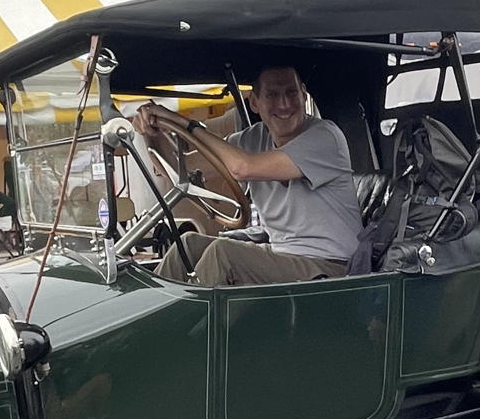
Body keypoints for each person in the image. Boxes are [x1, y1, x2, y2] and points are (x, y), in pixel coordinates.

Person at [136, 64, 362, 286]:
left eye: (291, 93)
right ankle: (148, 307)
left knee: (223, 254)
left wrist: (187, 125)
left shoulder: (325, 136)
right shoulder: (252, 139)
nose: (284, 104)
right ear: (254, 102)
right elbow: (180, 168)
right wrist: (151, 131)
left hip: (332, 267)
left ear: (304, 95)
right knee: (187, 244)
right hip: (283, 254)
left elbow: (242, 168)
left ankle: (182, 312)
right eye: (273, 95)